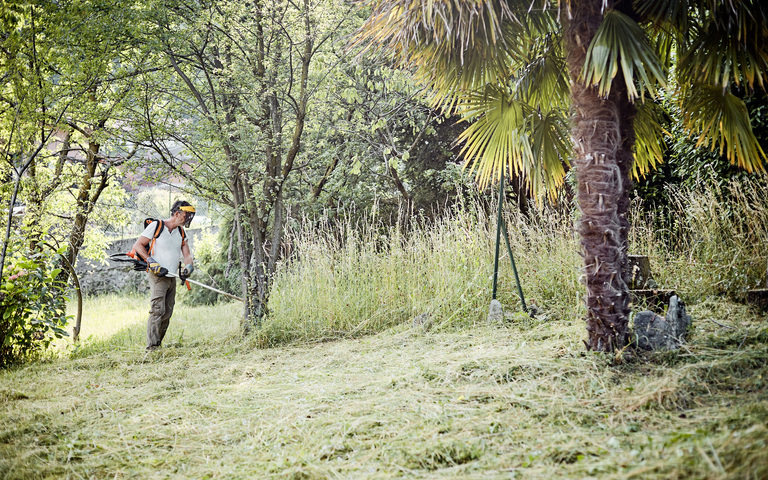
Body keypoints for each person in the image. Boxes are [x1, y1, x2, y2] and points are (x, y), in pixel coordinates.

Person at [131, 200, 195, 350]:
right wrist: (151, 261)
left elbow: (187, 255)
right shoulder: (157, 226)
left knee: (167, 312)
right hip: (158, 275)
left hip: (172, 276)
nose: (188, 219)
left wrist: (189, 267)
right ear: (177, 213)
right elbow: (138, 245)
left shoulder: (181, 232)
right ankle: (152, 348)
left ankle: (158, 344)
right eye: (186, 215)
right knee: (157, 310)